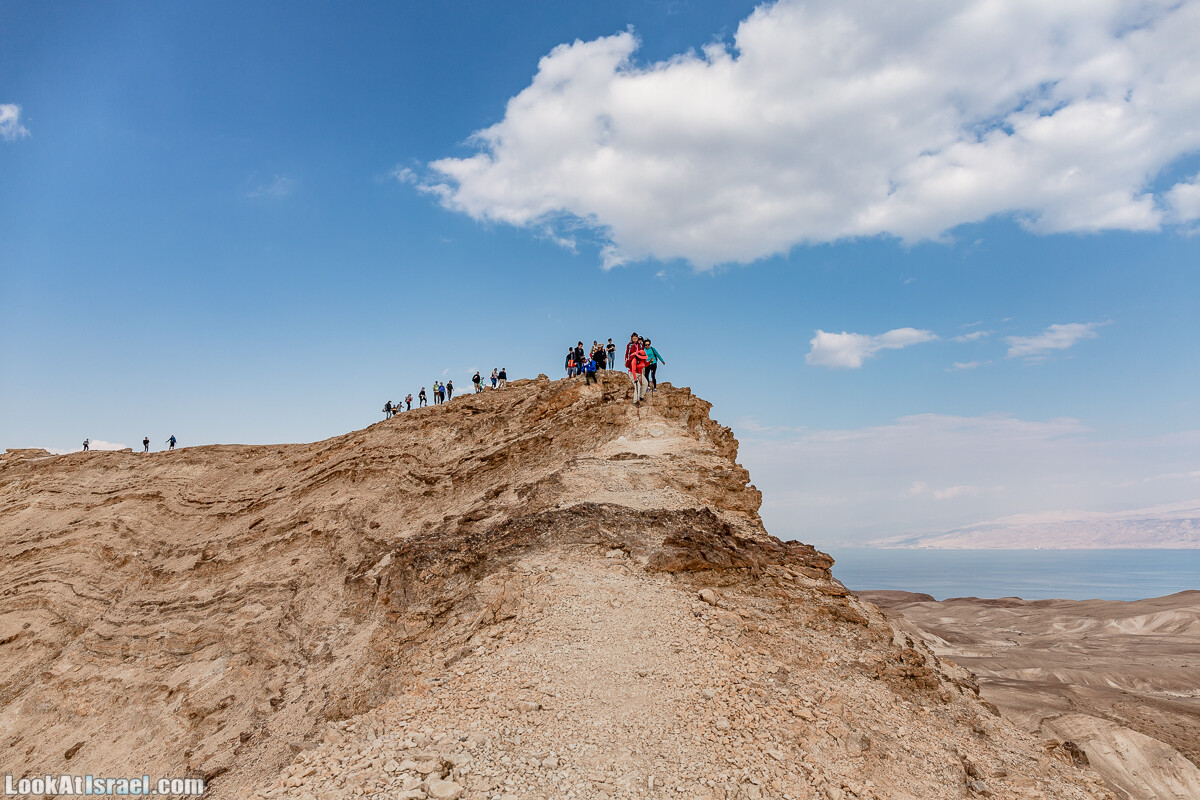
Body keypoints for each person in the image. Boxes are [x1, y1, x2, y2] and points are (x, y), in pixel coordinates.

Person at [626, 336, 649, 405]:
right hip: (633, 374)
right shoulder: (634, 360)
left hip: (640, 373)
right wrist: (635, 379)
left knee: (645, 383)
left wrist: (650, 362)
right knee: (637, 386)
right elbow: (633, 370)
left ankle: (641, 396)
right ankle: (635, 401)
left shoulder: (643, 359)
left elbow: (645, 364)